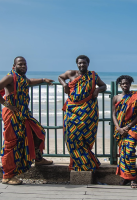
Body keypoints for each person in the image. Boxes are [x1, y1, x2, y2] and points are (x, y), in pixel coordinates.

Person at [0, 56, 54, 185]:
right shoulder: (9, 77)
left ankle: (38, 158)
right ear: (14, 66)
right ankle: (7, 176)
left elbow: (29, 82)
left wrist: (43, 80)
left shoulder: (22, 78)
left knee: (39, 132)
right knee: (12, 144)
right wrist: (7, 105)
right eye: (20, 64)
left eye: (25, 64)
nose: (23, 66)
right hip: (12, 115)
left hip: (24, 114)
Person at [58, 55, 106, 171]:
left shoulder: (93, 75)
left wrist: (97, 90)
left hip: (88, 112)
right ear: (77, 64)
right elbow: (60, 77)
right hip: (72, 111)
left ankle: (85, 162)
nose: (81, 65)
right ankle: (83, 162)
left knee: (86, 137)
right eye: (79, 63)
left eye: (84, 63)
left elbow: (104, 85)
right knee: (71, 137)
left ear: (88, 64)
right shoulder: (71, 73)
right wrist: (64, 84)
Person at [112, 75, 137, 189]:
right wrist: (119, 128)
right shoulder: (116, 98)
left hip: (133, 127)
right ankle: (126, 178)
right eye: (122, 84)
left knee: (130, 150)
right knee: (123, 153)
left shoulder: (136, 97)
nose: (125, 85)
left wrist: (127, 127)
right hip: (120, 129)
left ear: (130, 84)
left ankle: (132, 178)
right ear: (120, 85)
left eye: (127, 83)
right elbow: (113, 114)